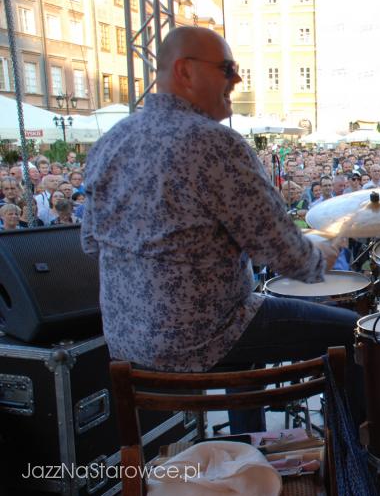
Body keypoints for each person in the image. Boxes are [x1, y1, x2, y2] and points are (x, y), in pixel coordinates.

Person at [81, 27, 359, 434]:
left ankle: (247, 448)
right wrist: (321, 255)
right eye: (227, 68)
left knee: (247, 319)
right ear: (185, 71)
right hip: (201, 336)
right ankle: (358, 469)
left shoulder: (111, 141)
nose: (237, 79)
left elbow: (89, 242)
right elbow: (288, 256)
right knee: (354, 332)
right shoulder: (214, 143)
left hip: (127, 341)